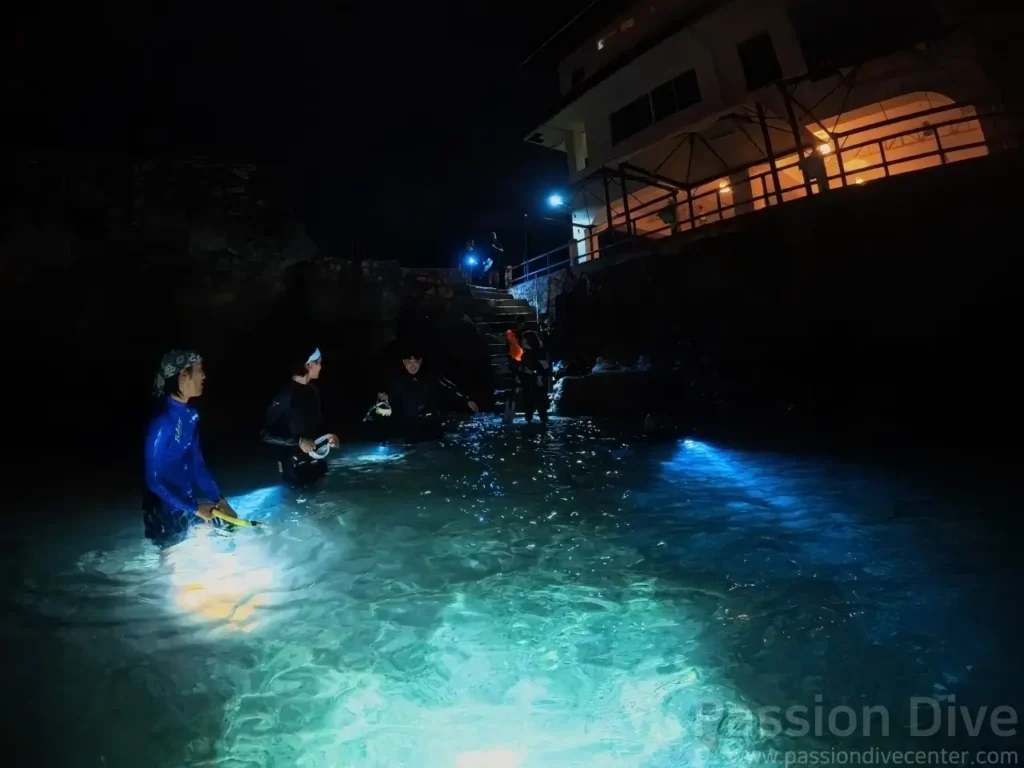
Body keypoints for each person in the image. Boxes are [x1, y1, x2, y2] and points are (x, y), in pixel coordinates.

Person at [143, 349, 237, 544]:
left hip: (187, 504)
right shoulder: (161, 422)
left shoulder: (191, 416)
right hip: (163, 513)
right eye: (199, 369)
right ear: (183, 374)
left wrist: (220, 500)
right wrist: (195, 509)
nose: (204, 375)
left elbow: (197, 465)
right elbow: (153, 482)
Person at [261, 346, 339, 486]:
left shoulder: (313, 391)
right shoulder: (285, 394)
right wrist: (299, 441)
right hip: (294, 469)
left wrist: (330, 437)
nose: (321, 367)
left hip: (318, 463)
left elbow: (317, 424)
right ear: (309, 365)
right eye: (319, 362)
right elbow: (265, 434)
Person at [376, 348, 479, 443]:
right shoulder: (398, 380)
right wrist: (386, 398)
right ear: (404, 362)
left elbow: (451, 387)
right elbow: (392, 396)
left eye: (415, 362)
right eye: (409, 362)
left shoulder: (431, 376)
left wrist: (467, 399)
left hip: (431, 423)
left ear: (420, 362)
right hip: (410, 425)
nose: (412, 366)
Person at [519, 329, 551, 423]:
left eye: (523, 339)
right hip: (527, 383)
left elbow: (545, 368)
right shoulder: (525, 353)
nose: (521, 341)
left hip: (537, 383)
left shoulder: (540, 352)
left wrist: (535, 373)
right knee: (528, 409)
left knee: (541, 409)